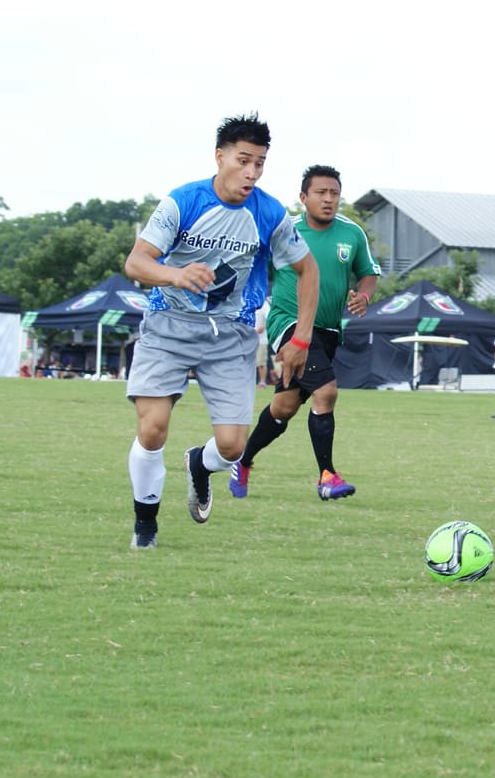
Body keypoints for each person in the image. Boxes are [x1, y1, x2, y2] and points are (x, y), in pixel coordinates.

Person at [123, 113, 319, 549]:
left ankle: (199, 464)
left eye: (260, 163)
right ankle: (146, 527)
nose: (251, 172)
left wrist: (301, 338)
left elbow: (308, 270)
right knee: (153, 428)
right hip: (167, 327)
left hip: (230, 335)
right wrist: (174, 276)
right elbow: (136, 263)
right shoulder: (182, 202)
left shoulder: (268, 213)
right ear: (220, 156)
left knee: (232, 447)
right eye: (243, 160)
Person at [229, 164, 380, 501]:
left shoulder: (352, 234)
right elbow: (250, 265)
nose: (329, 199)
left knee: (283, 408)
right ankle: (327, 476)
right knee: (325, 393)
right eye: (321, 193)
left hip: (327, 331)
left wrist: (364, 296)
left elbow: (368, 273)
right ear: (303, 197)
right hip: (289, 324)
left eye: (334, 193)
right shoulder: (284, 231)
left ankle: (243, 459)